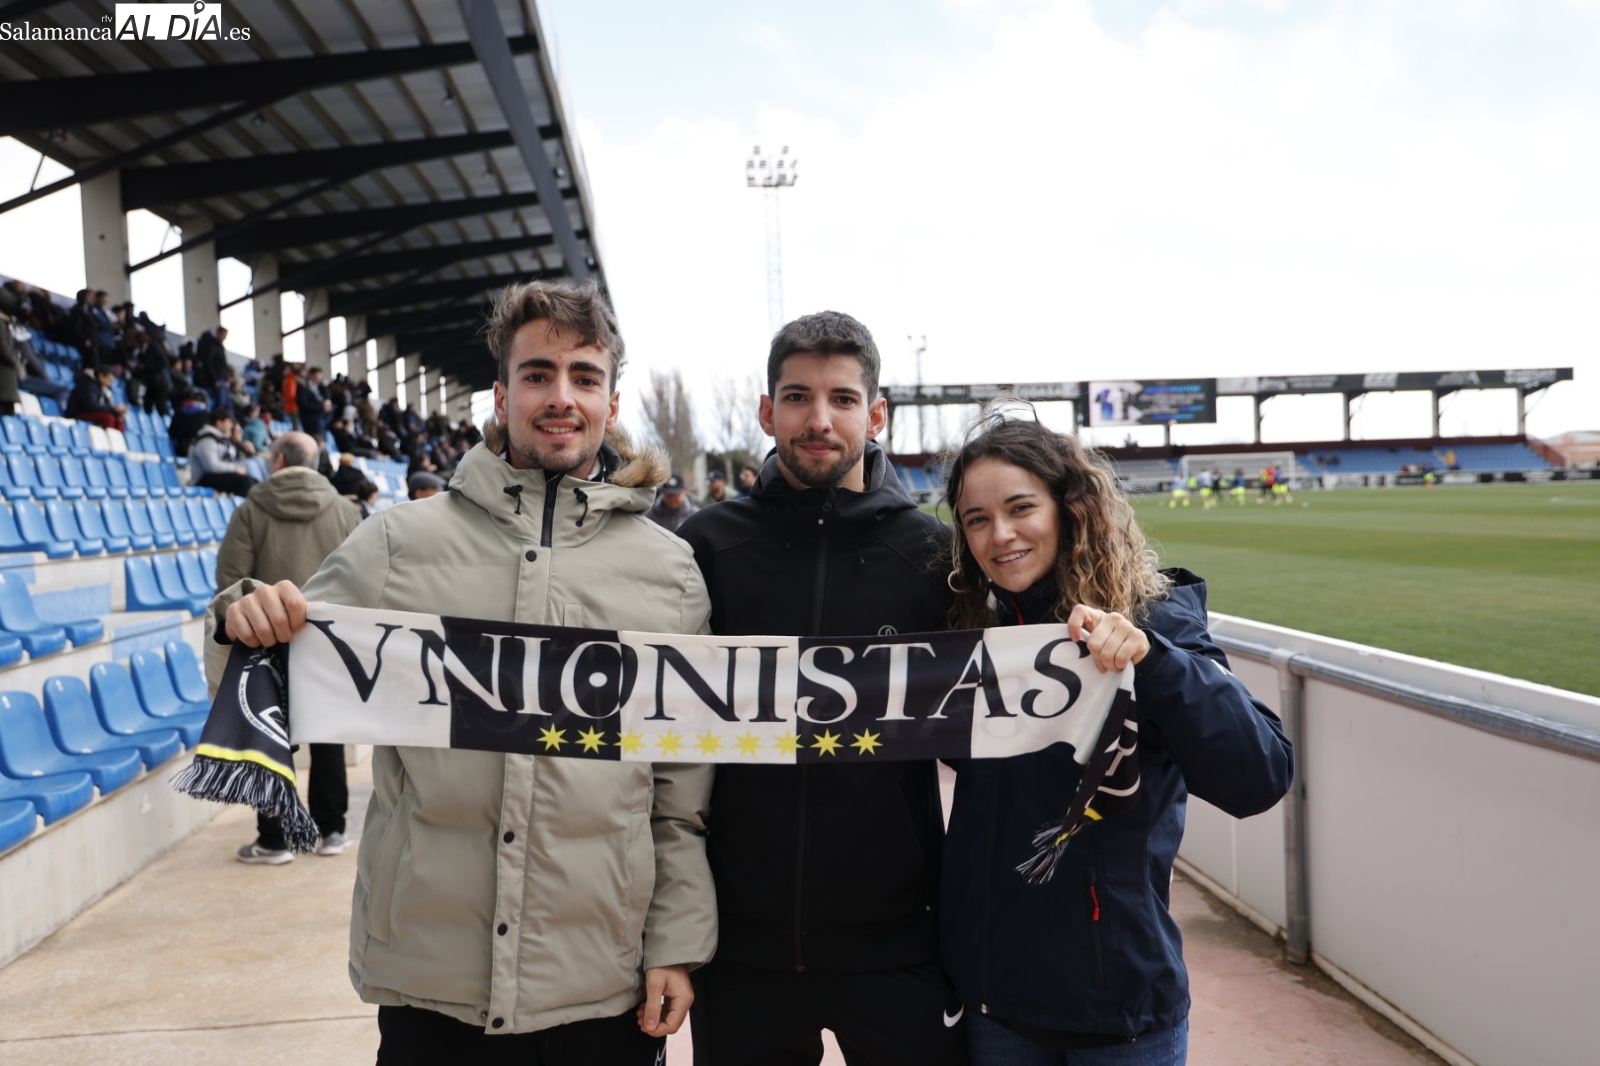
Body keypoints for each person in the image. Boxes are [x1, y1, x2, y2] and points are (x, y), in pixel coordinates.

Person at [212, 279, 715, 1061]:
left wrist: (676, 943)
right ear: (501, 395)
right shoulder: (396, 545)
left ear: (611, 404)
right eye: (538, 374)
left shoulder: (671, 573)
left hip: (600, 980)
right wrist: (244, 616)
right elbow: (267, 663)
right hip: (430, 981)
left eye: (584, 377)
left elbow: (679, 796)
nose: (561, 397)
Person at [936, 414, 1294, 1066]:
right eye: (976, 519)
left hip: (1121, 1007)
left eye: (1021, 508)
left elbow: (1260, 776)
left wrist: (1155, 662)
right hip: (995, 1004)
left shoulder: (1153, 619)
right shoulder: (968, 639)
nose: (1000, 535)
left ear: (1070, 509)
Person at [677, 311, 965, 1066]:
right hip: (742, 947)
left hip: (899, 942)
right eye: (798, 397)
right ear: (766, 411)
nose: (818, 420)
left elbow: (987, 726)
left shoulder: (935, 556)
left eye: (842, 399)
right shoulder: (706, 546)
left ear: (876, 415)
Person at [215, 432, 362, 863]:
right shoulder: (345, 509)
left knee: (271, 734)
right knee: (329, 736)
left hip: (268, 638)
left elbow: (231, 580)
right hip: (330, 640)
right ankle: (331, 831)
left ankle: (275, 840)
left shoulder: (250, 510)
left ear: (278, 460)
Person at [189, 410, 257, 496]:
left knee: (255, 483)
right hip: (203, 479)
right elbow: (212, 466)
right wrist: (235, 468)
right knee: (244, 482)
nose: (231, 425)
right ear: (219, 423)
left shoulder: (221, 439)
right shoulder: (207, 440)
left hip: (216, 476)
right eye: (229, 422)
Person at [66, 366, 127, 431]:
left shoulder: (102, 388)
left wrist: (117, 412)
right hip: (78, 413)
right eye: (109, 380)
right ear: (101, 376)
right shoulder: (88, 385)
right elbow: (91, 406)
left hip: (89, 412)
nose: (110, 384)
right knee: (108, 418)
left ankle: (115, 437)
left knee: (119, 419)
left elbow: (104, 405)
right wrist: (113, 409)